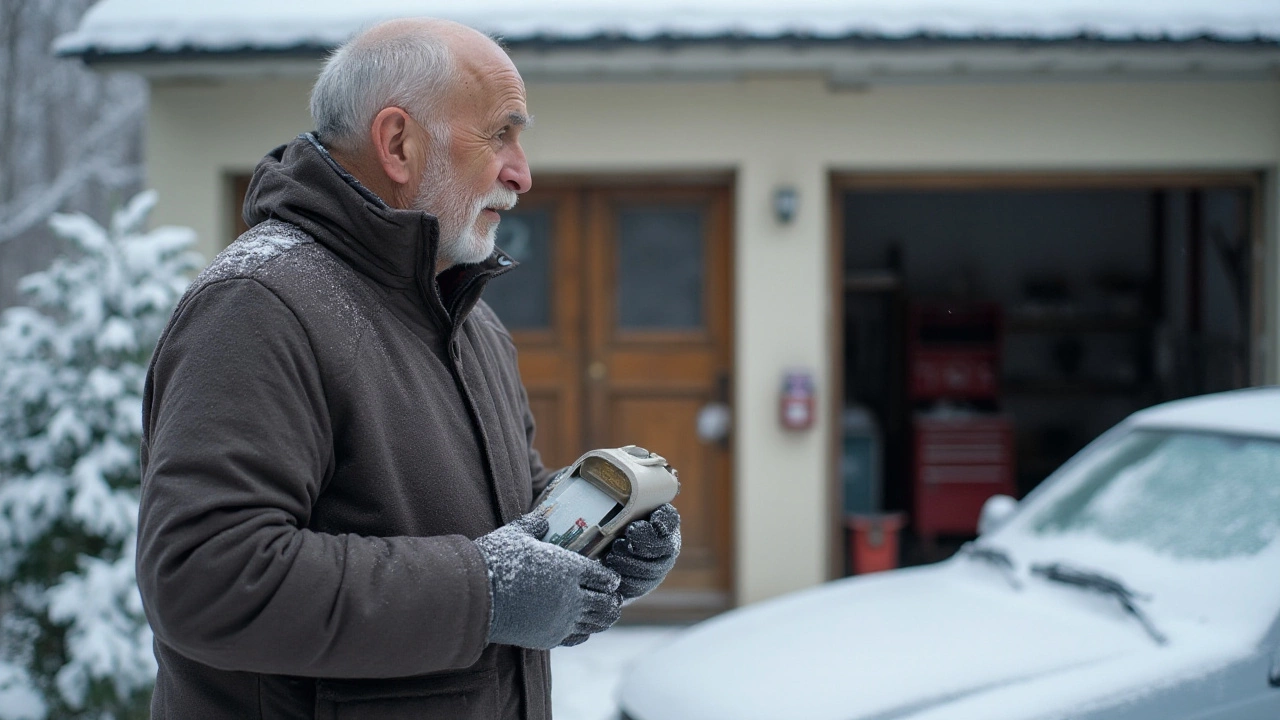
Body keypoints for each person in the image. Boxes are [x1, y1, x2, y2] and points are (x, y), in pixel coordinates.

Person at [135, 18, 680, 720]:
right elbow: (208, 577)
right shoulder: (258, 304)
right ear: (398, 143)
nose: (522, 172)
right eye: (499, 134)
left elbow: (499, 516)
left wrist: (598, 542)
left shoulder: (467, 317)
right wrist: (485, 592)